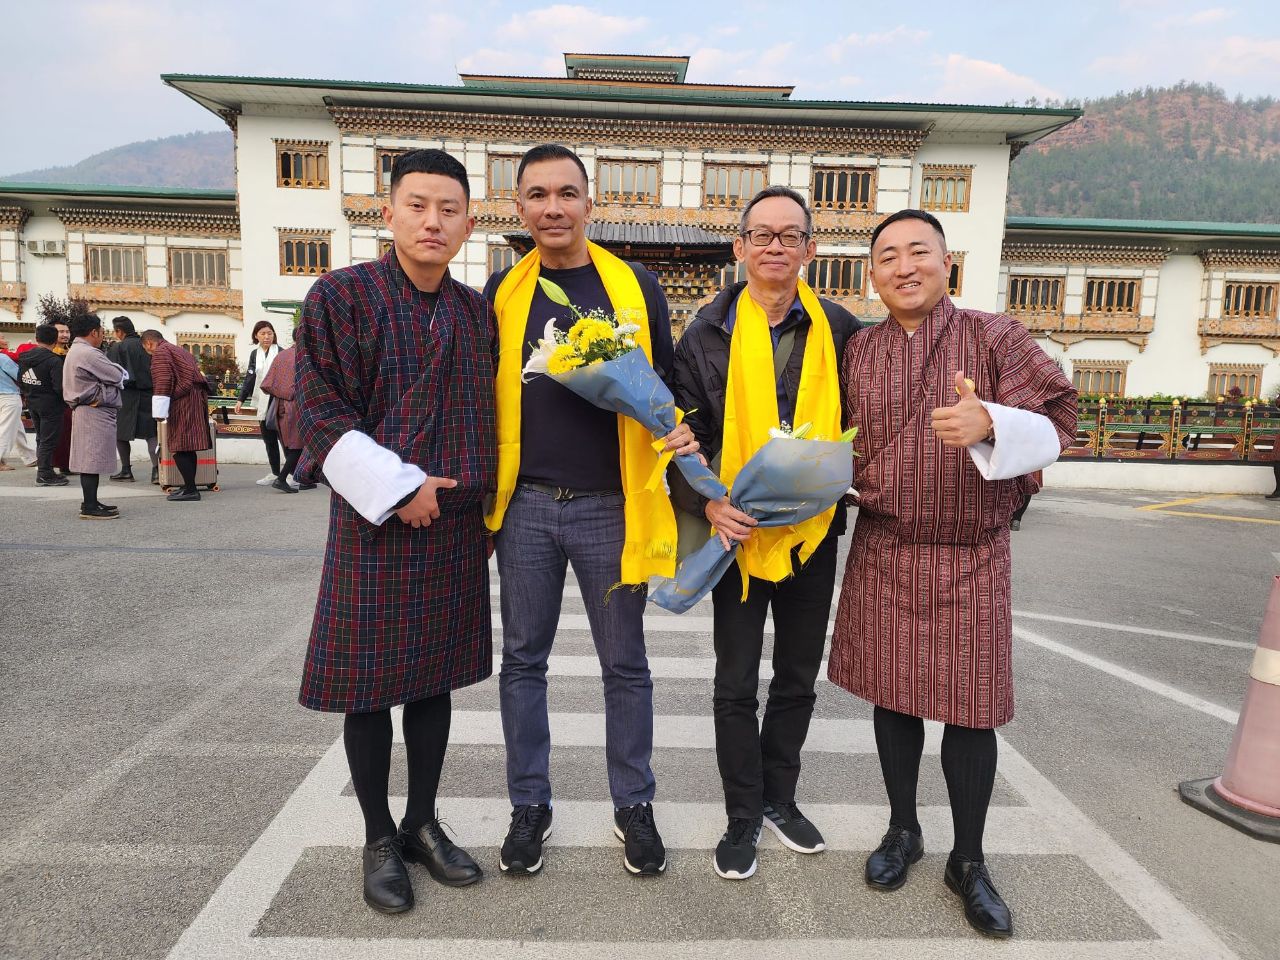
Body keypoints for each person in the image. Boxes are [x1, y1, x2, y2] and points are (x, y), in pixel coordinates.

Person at [829, 209, 1076, 938]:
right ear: (872, 275)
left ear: (948, 265)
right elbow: (829, 434)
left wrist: (993, 421)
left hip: (971, 554)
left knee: (972, 709)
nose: (904, 267)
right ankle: (903, 829)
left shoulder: (994, 336)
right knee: (894, 695)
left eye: (919, 252)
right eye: (887, 256)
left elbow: (1062, 417)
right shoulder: (859, 349)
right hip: (884, 545)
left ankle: (968, 859)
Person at [482, 143, 696, 878]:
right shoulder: (502, 293)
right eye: (538, 195)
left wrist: (679, 427)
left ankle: (633, 804)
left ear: (589, 202)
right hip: (527, 505)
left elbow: (664, 379)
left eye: (567, 193)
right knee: (523, 661)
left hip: (611, 503)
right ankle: (528, 805)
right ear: (519, 206)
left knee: (625, 664)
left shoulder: (634, 286)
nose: (554, 208)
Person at [294, 148, 497, 915]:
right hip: (375, 520)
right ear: (388, 213)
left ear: (469, 224)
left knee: (434, 682)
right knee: (370, 689)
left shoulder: (475, 311)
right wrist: (400, 485)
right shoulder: (340, 297)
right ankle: (379, 835)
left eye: (449, 209)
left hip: (452, 525)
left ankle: (422, 822)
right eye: (417, 205)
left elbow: (491, 411)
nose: (432, 221)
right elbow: (319, 411)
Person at [670, 185, 860, 880]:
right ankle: (742, 813)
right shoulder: (706, 332)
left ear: (810, 248)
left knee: (798, 676)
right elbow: (679, 434)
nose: (775, 246)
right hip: (738, 531)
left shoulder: (840, 330)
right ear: (740, 246)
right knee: (736, 680)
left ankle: (781, 798)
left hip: (813, 530)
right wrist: (707, 504)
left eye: (790, 235)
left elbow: (864, 420)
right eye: (762, 235)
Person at [61, 313, 127, 519]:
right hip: (93, 410)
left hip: (87, 408)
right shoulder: (88, 353)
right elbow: (117, 375)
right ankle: (89, 506)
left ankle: (91, 501)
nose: (102, 335)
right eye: (101, 331)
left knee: (90, 457)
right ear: (93, 332)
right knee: (91, 458)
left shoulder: (77, 350)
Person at [141, 331, 212, 503]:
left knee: (179, 444)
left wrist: (159, 412)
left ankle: (191, 489)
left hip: (184, 400)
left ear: (149, 343)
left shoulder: (161, 352)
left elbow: (163, 379)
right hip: (195, 397)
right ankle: (189, 486)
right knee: (188, 445)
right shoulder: (177, 349)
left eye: (146, 348)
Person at [106, 316, 158, 484]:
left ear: (119, 331)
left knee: (121, 434)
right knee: (152, 434)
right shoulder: (147, 345)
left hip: (125, 395)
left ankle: (126, 470)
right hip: (149, 394)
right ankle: (157, 471)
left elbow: (110, 374)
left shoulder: (117, 348)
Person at [17, 325, 69, 486]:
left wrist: (28, 394)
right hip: (51, 405)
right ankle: (44, 474)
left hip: (32, 402)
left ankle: (45, 469)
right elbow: (59, 387)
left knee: (41, 437)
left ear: (36, 338)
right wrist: (66, 401)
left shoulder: (24, 357)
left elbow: (20, 380)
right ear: (55, 340)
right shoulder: (54, 360)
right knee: (49, 440)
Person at [236, 320, 283, 486]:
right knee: (269, 440)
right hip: (262, 402)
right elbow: (250, 377)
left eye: (269, 333)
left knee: (285, 440)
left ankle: (291, 474)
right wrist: (241, 399)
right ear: (256, 335)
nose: (266, 337)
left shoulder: (281, 352)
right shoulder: (254, 354)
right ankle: (275, 473)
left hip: (279, 401)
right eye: (263, 333)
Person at [260, 340, 310, 493]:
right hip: (295, 404)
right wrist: (290, 393)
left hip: (279, 404)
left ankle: (297, 478)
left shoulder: (281, 355)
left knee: (289, 443)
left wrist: (282, 393)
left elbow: (266, 383)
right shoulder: (304, 356)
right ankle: (281, 479)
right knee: (297, 443)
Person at [0, 334, 38, 471]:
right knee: (6, 429)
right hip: (9, 396)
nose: (5, 340)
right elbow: (19, 375)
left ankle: (29, 457)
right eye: (2, 338)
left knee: (17, 428)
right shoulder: (3, 358)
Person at [50, 320, 74, 476]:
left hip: (71, 398)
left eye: (67, 331)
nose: (65, 335)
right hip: (56, 398)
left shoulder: (71, 352)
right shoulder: (51, 354)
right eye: (61, 332)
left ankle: (67, 464)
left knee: (69, 433)